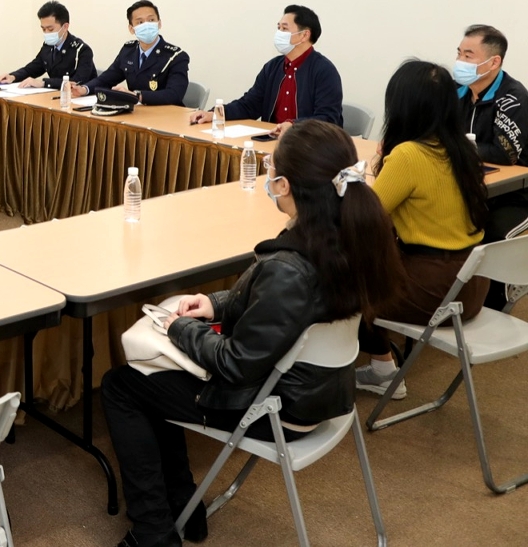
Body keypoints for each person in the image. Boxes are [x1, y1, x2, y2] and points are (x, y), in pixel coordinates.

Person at [101, 120, 402, 547]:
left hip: (277, 408)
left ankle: (153, 530)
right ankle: (184, 506)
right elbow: (278, 304)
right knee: (151, 383)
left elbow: (235, 363)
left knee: (124, 385)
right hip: (327, 393)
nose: (268, 177)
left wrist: (180, 328)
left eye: (271, 169)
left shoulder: (291, 266)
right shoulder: (349, 233)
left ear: (285, 185)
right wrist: (215, 304)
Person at [354, 61, 489, 399]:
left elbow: (366, 216)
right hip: (472, 283)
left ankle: (381, 370)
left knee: (343, 282)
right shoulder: (463, 150)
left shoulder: (408, 155)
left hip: (435, 289)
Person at [452, 25, 528, 311]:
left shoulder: (513, 98)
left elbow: (503, 154)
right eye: (459, 53)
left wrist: (454, 145)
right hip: (470, 185)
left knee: (491, 235)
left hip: (513, 194)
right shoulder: (457, 91)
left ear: (493, 62)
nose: (460, 61)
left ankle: (494, 306)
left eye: (468, 55)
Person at [189, 5, 342, 137]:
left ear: (304, 35)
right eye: (278, 28)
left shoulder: (324, 71)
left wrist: (293, 125)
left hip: (307, 145)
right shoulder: (273, 67)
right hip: (272, 140)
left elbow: (328, 118)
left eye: (284, 28)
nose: (279, 33)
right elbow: (250, 105)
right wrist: (216, 114)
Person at [72, 0, 189, 106]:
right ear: (131, 29)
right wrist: (84, 89)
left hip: (166, 115)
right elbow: (106, 79)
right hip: (137, 114)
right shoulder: (129, 50)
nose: (146, 25)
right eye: (140, 22)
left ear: (159, 23)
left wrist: (137, 96)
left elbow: (175, 94)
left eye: (151, 20)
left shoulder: (176, 56)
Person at [0, 0, 96, 90]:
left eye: (50, 29)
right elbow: (33, 68)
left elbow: (77, 82)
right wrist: (13, 77)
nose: (46, 33)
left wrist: (43, 83)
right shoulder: (48, 46)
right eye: (43, 29)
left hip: (80, 99)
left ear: (65, 27)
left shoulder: (81, 50)